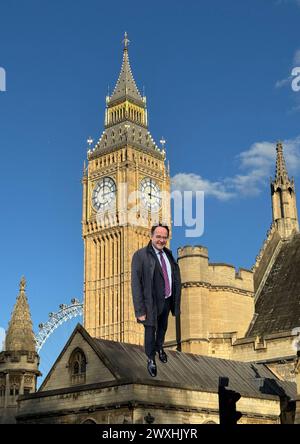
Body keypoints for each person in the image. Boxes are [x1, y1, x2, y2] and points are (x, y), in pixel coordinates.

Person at [131, 223, 181, 377]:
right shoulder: (140, 255)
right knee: (150, 330)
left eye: (164, 237)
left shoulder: (168, 254)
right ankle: (151, 358)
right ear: (151, 236)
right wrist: (140, 310)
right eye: (158, 236)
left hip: (167, 298)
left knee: (163, 327)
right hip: (150, 302)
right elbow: (136, 284)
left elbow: (174, 276)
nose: (161, 240)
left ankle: (160, 347)